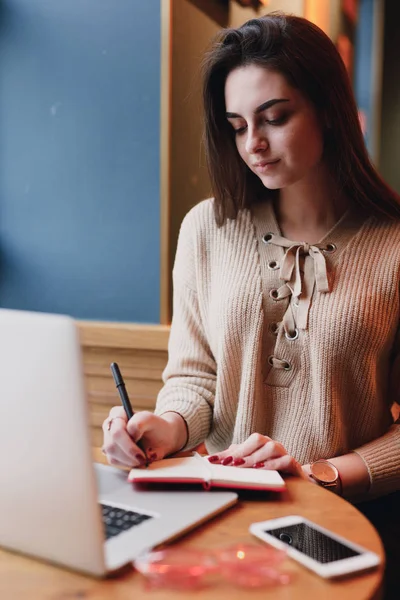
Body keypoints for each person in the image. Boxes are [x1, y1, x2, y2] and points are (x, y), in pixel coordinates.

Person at [102, 14, 400, 594]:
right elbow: (194, 380)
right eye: (237, 126)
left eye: (275, 118)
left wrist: (322, 475)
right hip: (219, 518)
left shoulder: (392, 245)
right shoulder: (205, 229)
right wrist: (161, 428)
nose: (253, 145)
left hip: (341, 528)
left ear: (329, 110)